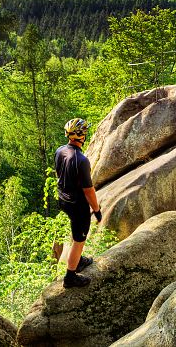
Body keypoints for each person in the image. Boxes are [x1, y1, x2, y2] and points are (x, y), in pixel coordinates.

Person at [54, 118, 102, 288]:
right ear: (81, 136)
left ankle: (78, 260)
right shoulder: (81, 160)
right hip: (77, 204)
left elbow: (59, 172)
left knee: (76, 232)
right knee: (79, 239)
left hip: (63, 199)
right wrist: (96, 210)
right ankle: (70, 277)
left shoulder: (60, 151)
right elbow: (89, 190)